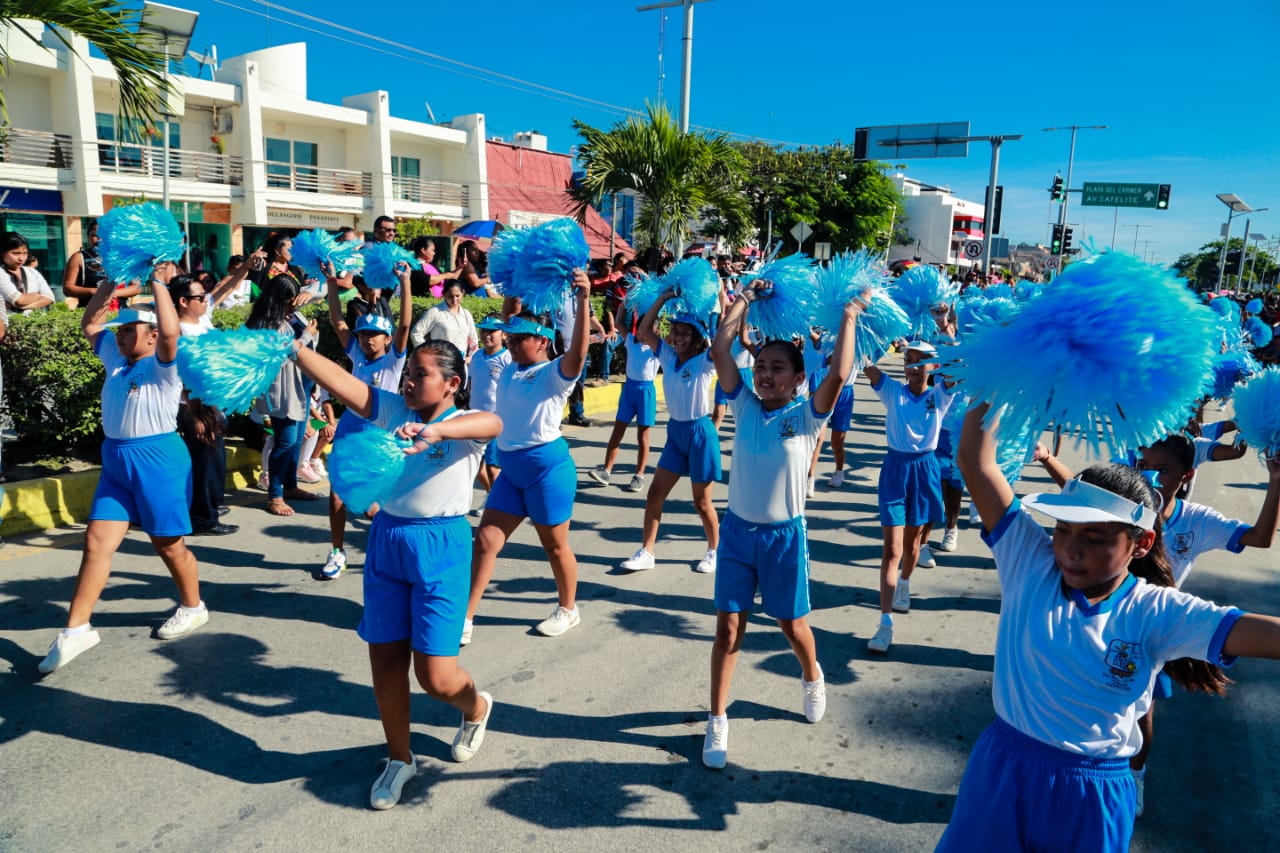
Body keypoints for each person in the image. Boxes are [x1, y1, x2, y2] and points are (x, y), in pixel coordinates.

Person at [937, 404, 1280, 851]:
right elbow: (975, 460)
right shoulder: (1028, 559)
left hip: (1094, 795)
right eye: (1062, 529)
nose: (1070, 549)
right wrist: (1000, 375)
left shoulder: (1157, 610)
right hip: (1002, 768)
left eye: (1095, 538)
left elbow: (1264, 633)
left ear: (1141, 544)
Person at [291, 337, 500, 810]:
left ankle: (477, 707)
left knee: (436, 679)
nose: (409, 382)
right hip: (388, 542)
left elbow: (494, 422)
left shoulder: (464, 424)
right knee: (385, 663)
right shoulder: (391, 410)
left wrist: (437, 433)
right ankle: (399, 758)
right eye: (408, 373)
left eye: (421, 374)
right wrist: (295, 350)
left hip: (442, 547)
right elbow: (342, 383)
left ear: (452, 383)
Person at [1038, 430, 1280, 816]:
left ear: (1186, 476)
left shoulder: (1196, 521)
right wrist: (1048, 458)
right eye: (1143, 464)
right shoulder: (1121, 508)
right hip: (1099, 619)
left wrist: (1276, 480)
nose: (1150, 475)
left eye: (1163, 469)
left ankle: (1135, 774)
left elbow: (1260, 538)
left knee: (1141, 714)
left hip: (1155, 630)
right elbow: (1082, 497)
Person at [700, 279, 864, 769]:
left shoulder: (808, 415)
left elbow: (839, 373)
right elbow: (721, 348)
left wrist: (849, 315)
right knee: (728, 629)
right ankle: (717, 718)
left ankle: (812, 674)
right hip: (737, 535)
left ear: (798, 378)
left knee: (792, 626)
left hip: (784, 539)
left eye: (777, 369)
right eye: (761, 367)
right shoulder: (743, 403)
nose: (766, 375)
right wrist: (743, 298)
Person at [37, 262, 209, 674]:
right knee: (96, 542)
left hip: (158, 461)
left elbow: (171, 333)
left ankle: (193, 606)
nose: (120, 334)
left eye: (130, 329)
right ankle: (76, 630)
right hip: (116, 459)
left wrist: (158, 282)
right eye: (120, 329)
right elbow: (90, 322)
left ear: (152, 336)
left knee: (168, 545)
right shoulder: (115, 358)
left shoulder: (164, 364)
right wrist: (112, 281)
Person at [464, 270, 592, 644]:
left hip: (546, 472)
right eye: (512, 338)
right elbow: (509, 316)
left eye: (520, 339)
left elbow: (579, 352)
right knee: (485, 542)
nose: (512, 342)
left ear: (542, 341)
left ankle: (568, 609)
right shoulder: (509, 366)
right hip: (511, 473)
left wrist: (583, 299)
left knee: (554, 546)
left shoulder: (555, 373)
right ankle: (465, 617)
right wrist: (515, 282)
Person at [319, 262, 413, 578]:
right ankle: (337, 552)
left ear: (387, 339)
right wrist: (331, 281)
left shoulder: (394, 359)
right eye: (363, 335)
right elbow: (337, 319)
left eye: (374, 335)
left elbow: (405, 325)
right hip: (350, 429)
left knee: (381, 506)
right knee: (337, 494)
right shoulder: (357, 355)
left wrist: (405, 281)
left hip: (381, 436)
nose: (367, 340)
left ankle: (391, 553)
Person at [863, 340, 957, 654]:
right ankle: (885, 623)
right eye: (908, 360)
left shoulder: (940, 395)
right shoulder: (892, 391)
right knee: (892, 549)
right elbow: (866, 364)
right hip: (895, 470)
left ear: (934, 366)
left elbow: (960, 366)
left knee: (913, 545)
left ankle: (904, 582)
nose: (913, 367)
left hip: (925, 470)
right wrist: (856, 331)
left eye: (920, 361)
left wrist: (946, 329)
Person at [618, 291, 720, 574]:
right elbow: (644, 330)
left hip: (700, 434)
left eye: (686, 333)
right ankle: (647, 552)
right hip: (676, 433)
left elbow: (723, 341)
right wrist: (662, 299)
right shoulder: (667, 354)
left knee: (702, 502)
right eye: (675, 332)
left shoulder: (705, 361)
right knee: (654, 494)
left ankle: (714, 551)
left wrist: (726, 302)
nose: (678, 337)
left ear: (698, 338)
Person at [168, 274, 241, 536]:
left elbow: (224, 288)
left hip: (212, 403)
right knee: (204, 461)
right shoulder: (178, 332)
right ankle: (203, 519)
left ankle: (210, 505)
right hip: (193, 406)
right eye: (200, 297)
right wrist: (198, 415)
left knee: (214, 459)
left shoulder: (202, 321)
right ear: (183, 301)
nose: (205, 300)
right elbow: (187, 377)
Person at [246, 274, 322, 516]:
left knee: (296, 440)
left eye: (295, 299)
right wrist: (307, 334)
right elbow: (285, 353)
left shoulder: (291, 315)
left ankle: (290, 486)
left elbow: (322, 288)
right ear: (278, 299)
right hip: (284, 391)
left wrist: (309, 293)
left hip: (302, 387)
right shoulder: (267, 323)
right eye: (290, 301)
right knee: (286, 442)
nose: (294, 305)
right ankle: (275, 495)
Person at [587, 308, 659, 492]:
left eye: (648, 329)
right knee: (617, 432)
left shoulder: (657, 349)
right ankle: (606, 471)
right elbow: (619, 323)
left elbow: (674, 337)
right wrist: (624, 305)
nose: (643, 333)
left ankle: (639, 475)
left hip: (646, 392)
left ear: (656, 332)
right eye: (641, 329)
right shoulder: (631, 342)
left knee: (643, 436)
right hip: (629, 390)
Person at [467, 316, 511, 514]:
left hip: (495, 422)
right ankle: (491, 495)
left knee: (493, 468)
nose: (486, 335)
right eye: (484, 331)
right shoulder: (477, 356)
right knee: (476, 466)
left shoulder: (508, 359)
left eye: (492, 331)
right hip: (475, 420)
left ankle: (498, 507)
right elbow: (471, 384)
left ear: (504, 334)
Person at [62, 220, 141, 308]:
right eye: (95, 235)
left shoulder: (123, 258)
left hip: (120, 313)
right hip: (89, 312)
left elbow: (136, 287)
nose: (100, 240)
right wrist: (93, 292)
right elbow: (67, 288)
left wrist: (112, 293)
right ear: (88, 237)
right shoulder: (79, 258)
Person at [410, 280, 477, 359]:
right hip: (441, 361)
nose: (454, 299)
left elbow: (473, 339)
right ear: (444, 294)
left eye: (457, 296)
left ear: (463, 293)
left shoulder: (466, 314)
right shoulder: (435, 312)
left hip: (462, 362)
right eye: (450, 296)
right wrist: (428, 355)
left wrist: (470, 358)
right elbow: (416, 333)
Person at [0, 232, 55, 314]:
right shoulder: (1, 273)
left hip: (36, 319)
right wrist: (38, 295)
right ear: (2, 253)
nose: (21, 258)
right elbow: (18, 300)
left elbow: (49, 297)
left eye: (25, 253)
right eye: (16, 253)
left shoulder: (32, 272)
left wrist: (22, 307)